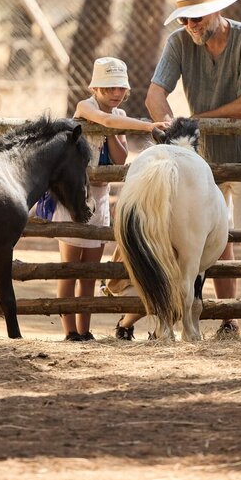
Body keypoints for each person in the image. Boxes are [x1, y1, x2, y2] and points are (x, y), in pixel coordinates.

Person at [123, 0, 241, 339]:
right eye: (184, 19)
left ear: (216, 11)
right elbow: (154, 96)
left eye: (197, 17)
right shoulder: (180, 42)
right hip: (204, 161)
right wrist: (167, 124)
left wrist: (193, 122)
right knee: (218, 237)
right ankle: (229, 321)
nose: (191, 25)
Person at [49, 57, 168, 341]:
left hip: (100, 196)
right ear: (95, 88)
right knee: (69, 269)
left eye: (120, 88)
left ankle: (84, 330)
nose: (115, 94)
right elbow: (104, 120)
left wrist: (117, 131)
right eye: (108, 88)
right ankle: (69, 333)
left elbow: (119, 159)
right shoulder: (86, 107)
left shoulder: (120, 115)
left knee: (90, 271)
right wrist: (148, 126)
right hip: (75, 196)